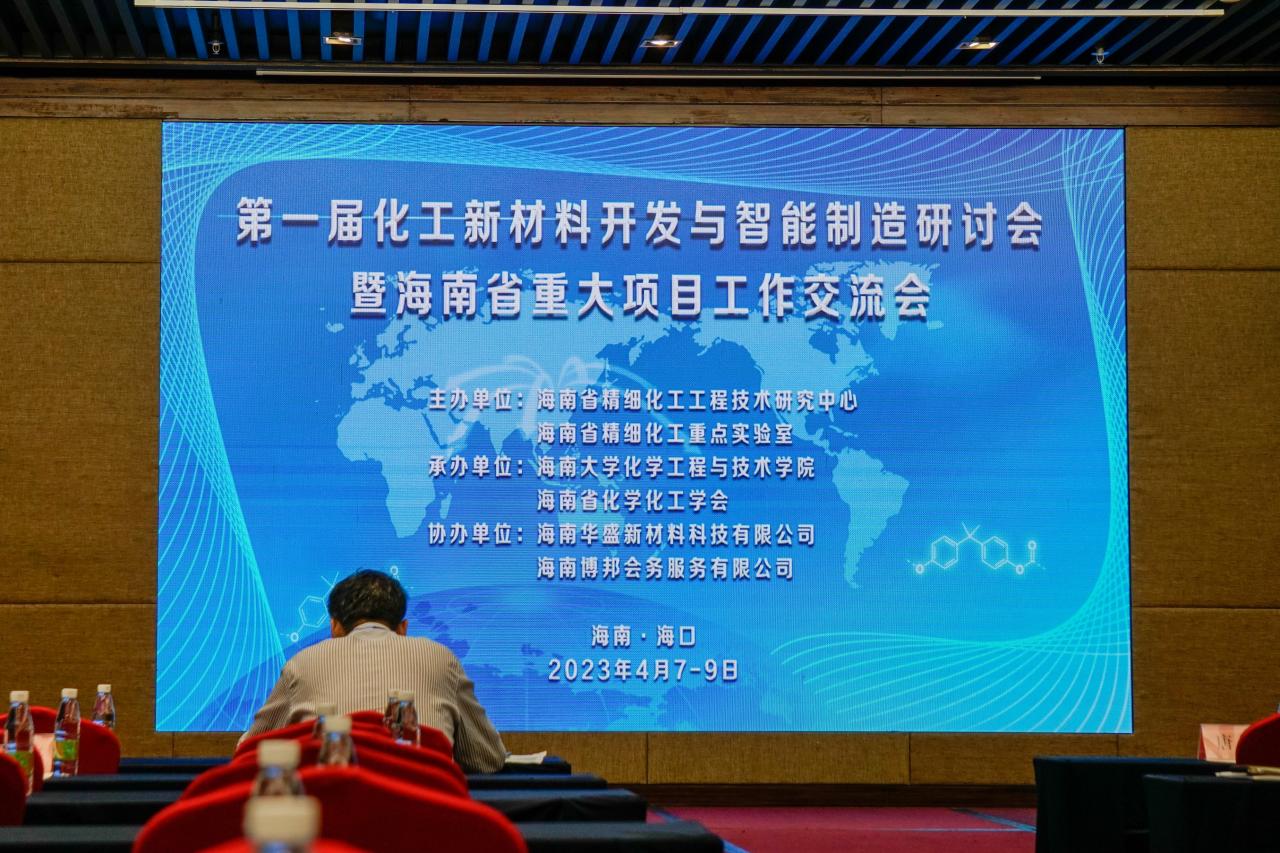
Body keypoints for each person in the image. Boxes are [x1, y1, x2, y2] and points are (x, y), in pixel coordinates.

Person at [241, 569, 507, 773]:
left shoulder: (301, 663)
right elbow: (486, 759)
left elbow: (248, 753)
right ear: (403, 628)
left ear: (334, 627)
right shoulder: (441, 657)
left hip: (332, 811)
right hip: (421, 813)